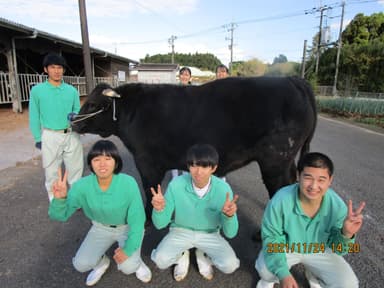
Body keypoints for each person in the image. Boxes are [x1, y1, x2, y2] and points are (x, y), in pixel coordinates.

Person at [48, 140, 152, 286]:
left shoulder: (128, 183)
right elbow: (60, 215)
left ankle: (137, 262)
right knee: (81, 264)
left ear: (116, 162)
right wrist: (59, 200)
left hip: (126, 228)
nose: (102, 164)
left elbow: (137, 221)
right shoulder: (81, 186)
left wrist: (128, 250)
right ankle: (101, 263)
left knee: (128, 267)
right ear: (91, 163)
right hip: (100, 228)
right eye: (97, 159)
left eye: (108, 159)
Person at [255, 152, 366, 288]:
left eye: (321, 180)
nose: (313, 186)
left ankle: (314, 274)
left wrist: (346, 234)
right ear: (298, 176)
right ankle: (270, 280)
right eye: (308, 177)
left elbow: (339, 250)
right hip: (287, 247)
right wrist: (283, 273)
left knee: (349, 284)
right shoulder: (280, 200)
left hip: (319, 249)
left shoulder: (337, 207)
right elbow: (271, 237)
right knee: (265, 271)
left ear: (330, 180)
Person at [150, 144, 240, 281]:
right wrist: (159, 209)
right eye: (193, 165)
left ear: (214, 168)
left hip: (210, 233)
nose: (198, 172)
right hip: (180, 231)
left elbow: (231, 233)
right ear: (188, 167)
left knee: (230, 265)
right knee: (160, 261)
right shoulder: (176, 185)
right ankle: (181, 255)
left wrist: (229, 216)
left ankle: (202, 253)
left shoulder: (223, 189)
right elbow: (160, 224)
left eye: (204, 166)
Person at [29, 52, 83, 201]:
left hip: (71, 134)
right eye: (53, 67)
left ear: (63, 70)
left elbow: (78, 110)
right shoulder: (37, 91)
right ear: (46, 70)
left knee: (75, 169)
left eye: (60, 67)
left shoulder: (71, 90)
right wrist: (38, 137)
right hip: (50, 135)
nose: (57, 71)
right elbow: (34, 115)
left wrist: (75, 115)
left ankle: (75, 198)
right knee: (51, 170)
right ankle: (55, 199)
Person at [171, 66, 192, 179]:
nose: (184, 76)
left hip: (188, 126)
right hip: (174, 125)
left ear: (190, 77)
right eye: (182, 74)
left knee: (187, 152)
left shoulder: (194, 91)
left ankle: (185, 176)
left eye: (186, 75)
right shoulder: (173, 90)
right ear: (179, 76)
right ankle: (175, 177)